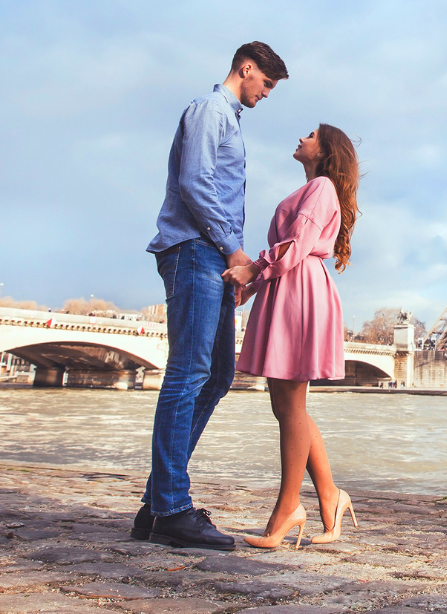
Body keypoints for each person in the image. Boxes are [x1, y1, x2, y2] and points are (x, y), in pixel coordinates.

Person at [134, 42, 288, 550]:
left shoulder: (229, 119)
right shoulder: (209, 111)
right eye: (267, 83)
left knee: (218, 375)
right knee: (188, 373)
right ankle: (172, 508)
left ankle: (157, 504)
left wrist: (232, 265)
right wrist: (234, 251)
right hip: (196, 250)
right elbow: (196, 183)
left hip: (212, 258)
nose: (267, 94)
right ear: (247, 68)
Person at [223, 123, 360, 549]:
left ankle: (287, 509)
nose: (302, 138)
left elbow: (297, 243)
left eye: (311, 134)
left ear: (326, 151)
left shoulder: (321, 187)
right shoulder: (317, 188)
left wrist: (252, 270)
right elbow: (293, 248)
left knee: (290, 406)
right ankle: (330, 496)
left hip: (299, 290)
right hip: (291, 286)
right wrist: (253, 284)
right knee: (287, 406)